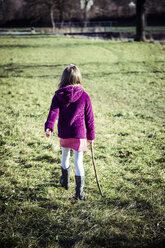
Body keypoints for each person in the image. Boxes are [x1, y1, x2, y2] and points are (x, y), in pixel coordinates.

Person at [45, 64, 95, 200]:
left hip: (65, 133)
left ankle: (65, 182)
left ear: (63, 79)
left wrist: (49, 127)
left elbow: (53, 113)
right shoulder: (84, 96)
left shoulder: (58, 95)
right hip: (79, 134)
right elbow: (90, 119)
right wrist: (91, 136)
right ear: (79, 78)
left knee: (65, 156)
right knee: (79, 162)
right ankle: (80, 193)